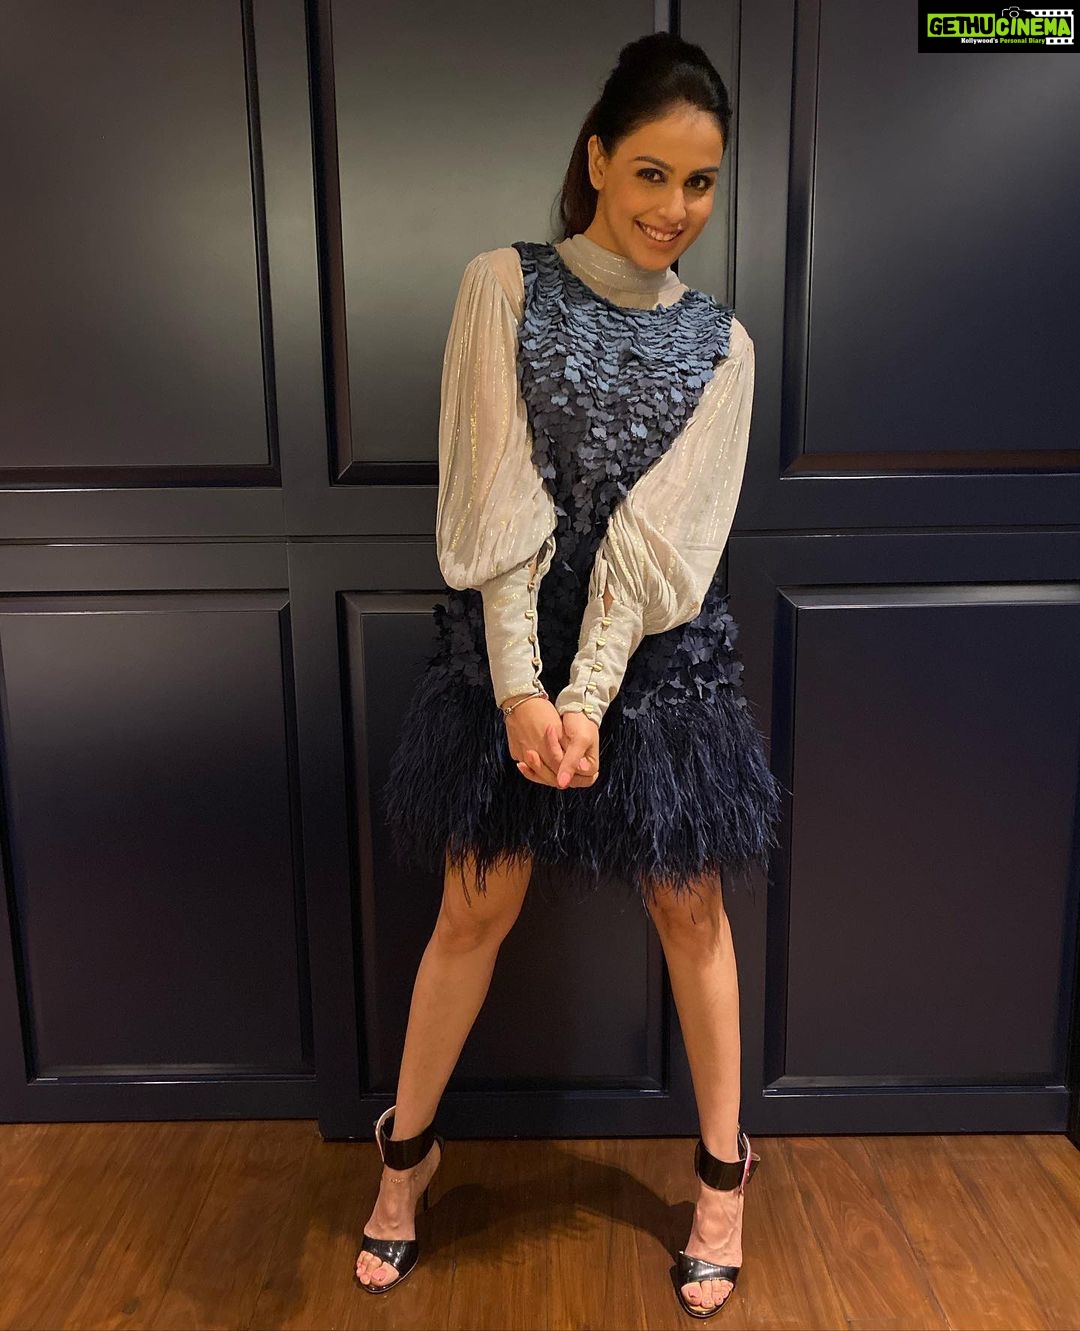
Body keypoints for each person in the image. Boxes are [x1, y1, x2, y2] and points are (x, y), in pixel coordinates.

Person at [356, 30, 784, 1320]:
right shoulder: (503, 286)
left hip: (657, 662)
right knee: (472, 911)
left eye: (700, 184)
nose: (675, 209)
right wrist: (524, 692)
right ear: (596, 158)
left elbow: (667, 541)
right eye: (652, 172)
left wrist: (588, 694)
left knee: (691, 915)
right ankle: (404, 1161)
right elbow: (492, 494)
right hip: (510, 656)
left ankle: (724, 1183)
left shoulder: (724, 346)